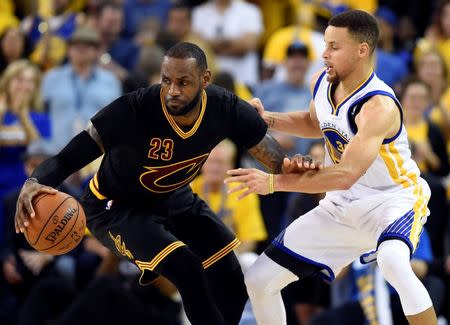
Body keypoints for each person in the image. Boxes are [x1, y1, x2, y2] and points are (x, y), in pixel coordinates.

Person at [13, 42, 314, 325]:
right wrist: (35, 181)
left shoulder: (226, 108)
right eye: (167, 80)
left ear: (205, 79)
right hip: (115, 207)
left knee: (231, 275)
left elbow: (273, 155)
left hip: (174, 196)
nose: (173, 90)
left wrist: (292, 168)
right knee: (187, 268)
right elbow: (69, 156)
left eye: (183, 82)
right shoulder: (133, 109)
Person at [226, 10, 437, 325]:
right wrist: (267, 118)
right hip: (344, 203)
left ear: (361, 50)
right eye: (325, 44)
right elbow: (316, 122)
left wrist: (274, 183)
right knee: (258, 279)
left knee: (393, 262)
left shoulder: (378, 106)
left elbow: (344, 174)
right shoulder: (322, 81)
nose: (323, 53)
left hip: (393, 200)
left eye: (334, 47)